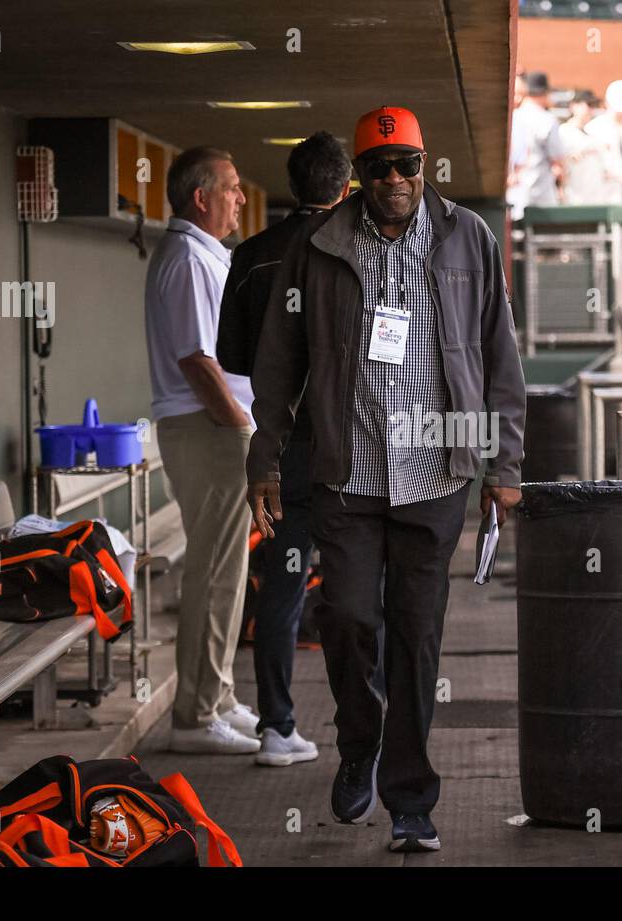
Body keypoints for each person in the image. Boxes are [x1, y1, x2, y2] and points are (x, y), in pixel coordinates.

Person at [245, 106, 526, 853]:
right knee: (345, 619)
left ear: (424, 165)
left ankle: (411, 802)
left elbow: (500, 357)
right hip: (349, 470)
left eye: (407, 164)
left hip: (437, 472)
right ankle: (358, 738)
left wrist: (507, 467)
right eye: (379, 167)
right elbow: (277, 361)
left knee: (416, 638)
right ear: (357, 178)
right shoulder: (320, 244)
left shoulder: (467, 236)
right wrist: (264, 458)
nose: (395, 179)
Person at [217, 132, 352, 768]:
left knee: (284, 585)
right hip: (352, 451)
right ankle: (367, 733)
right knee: (361, 588)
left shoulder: (251, 255)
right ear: (345, 186)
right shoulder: (357, 250)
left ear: (292, 185)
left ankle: (277, 728)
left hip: (280, 452)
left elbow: (233, 357)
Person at [144, 147, 260, 755]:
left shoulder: (206, 256)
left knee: (227, 572)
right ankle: (193, 717)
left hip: (212, 430)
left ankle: (217, 697)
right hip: (208, 430)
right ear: (201, 197)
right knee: (213, 573)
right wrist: (241, 425)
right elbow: (197, 359)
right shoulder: (189, 258)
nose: (240, 198)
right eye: (233, 188)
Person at [507, 71, 565, 218]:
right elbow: (557, 162)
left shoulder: (512, 116)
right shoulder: (547, 120)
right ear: (544, 93)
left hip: (514, 193)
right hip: (540, 196)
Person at [559, 90, 615, 205]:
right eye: (588, 105)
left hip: (595, 200)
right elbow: (559, 166)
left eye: (593, 106)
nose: (591, 110)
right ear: (574, 106)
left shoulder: (593, 135)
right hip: (574, 199)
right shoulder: (563, 132)